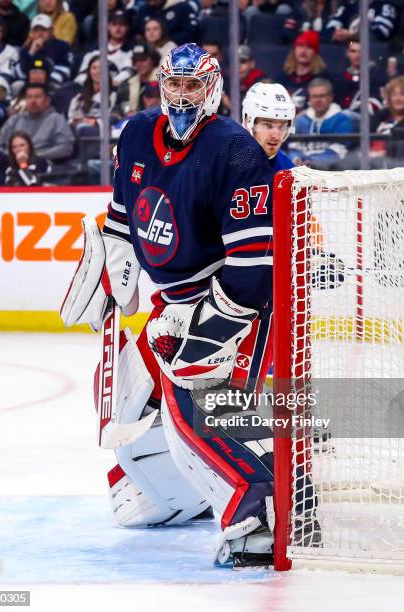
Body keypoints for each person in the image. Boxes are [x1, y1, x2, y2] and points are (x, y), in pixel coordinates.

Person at [60, 43, 282, 568]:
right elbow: (120, 219)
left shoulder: (237, 150)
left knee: (195, 399)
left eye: (194, 86)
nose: (182, 96)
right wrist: (114, 275)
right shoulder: (137, 133)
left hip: (237, 305)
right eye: (174, 85)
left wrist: (208, 332)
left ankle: (259, 510)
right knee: (124, 399)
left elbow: (252, 269)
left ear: (214, 90)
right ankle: (171, 496)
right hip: (173, 301)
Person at [288, 77, 354, 169]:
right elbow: (293, 148)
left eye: (322, 96)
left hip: (331, 172)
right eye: (314, 96)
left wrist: (311, 162)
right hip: (302, 171)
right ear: (309, 98)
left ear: (331, 97)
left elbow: (338, 153)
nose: (318, 100)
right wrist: (296, 159)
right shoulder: (301, 120)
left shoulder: (342, 120)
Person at [0, 83, 74, 161]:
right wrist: (13, 157)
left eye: (37, 97)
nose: (33, 101)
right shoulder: (14, 120)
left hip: (44, 165)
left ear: (47, 100)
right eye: (29, 97)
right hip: (12, 164)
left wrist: (34, 156)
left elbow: (66, 148)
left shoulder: (57, 119)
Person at [242, 82, 295, 171]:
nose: (276, 136)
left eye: (282, 126)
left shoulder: (289, 170)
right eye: (268, 125)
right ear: (248, 122)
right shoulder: (226, 163)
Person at [75, 10, 134, 90]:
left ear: (127, 27)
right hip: (90, 89)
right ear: (108, 26)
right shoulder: (94, 49)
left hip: (115, 89)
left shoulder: (131, 51)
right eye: (114, 24)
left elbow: (128, 72)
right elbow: (82, 74)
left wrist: (112, 82)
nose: (118, 28)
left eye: (122, 25)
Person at [275, 30, 329, 113]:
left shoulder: (323, 79)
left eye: (309, 47)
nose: (303, 51)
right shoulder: (280, 77)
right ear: (294, 50)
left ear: (315, 53)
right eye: (300, 46)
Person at [14, 13, 73, 88]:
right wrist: (31, 52)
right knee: (16, 86)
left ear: (51, 30)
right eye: (36, 30)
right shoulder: (26, 49)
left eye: (44, 30)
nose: (40, 33)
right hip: (29, 86)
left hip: (52, 84)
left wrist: (42, 83)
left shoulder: (61, 46)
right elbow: (18, 74)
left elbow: (65, 72)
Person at [68, 57, 119, 130]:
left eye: (102, 68)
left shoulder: (115, 94)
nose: (98, 71)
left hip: (103, 132)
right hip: (80, 131)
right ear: (89, 72)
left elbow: (116, 116)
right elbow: (72, 119)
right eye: (94, 68)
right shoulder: (80, 96)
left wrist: (96, 122)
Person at [115, 43, 161, 117]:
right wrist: (128, 111)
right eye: (136, 60)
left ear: (153, 60)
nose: (138, 64)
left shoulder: (164, 81)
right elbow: (123, 103)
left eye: (143, 60)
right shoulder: (129, 83)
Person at [135, 0, 199, 46]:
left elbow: (191, 33)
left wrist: (165, 41)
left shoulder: (182, 7)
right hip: (149, 52)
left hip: (178, 50)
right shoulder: (143, 10)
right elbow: (137, 33)